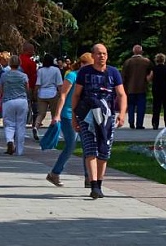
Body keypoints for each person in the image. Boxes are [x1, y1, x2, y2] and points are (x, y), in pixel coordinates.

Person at [74, 43, 127, 199]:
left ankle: (99, 183)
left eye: (104, 53)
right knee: (90, 149)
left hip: (106, 116)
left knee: (104, 150)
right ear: (93, 56)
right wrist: (74, 118)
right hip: (87, 116)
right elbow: (76, 95)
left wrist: (122, 114)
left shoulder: (113, 72)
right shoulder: (85, 72)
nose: (102, 56)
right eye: (98, 53)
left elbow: (121, 94)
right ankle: (94, 186)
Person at [45, 54, 82, 187]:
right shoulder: (72, 75)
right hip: (68, 115)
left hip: (82, 115)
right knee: (71, 145)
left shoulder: (88, 78)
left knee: (88, 146)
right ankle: (55, 173)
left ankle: (90, 178)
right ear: (82, 64)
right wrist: (57, 115)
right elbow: (63, 95)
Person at [0, 53, 30, 155]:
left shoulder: (4, 75)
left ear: (9, 63)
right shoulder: (24, 76)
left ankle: (10, 140)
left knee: (9, 123)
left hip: (8, 101)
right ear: (19, 63)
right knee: (21, 125)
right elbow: (27, 89)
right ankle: (20, 150)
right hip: (22, 101)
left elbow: (1, 90)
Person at [120, 45, 152, 130]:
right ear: (141, 52)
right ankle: (139, 124)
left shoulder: (128, 62)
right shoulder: (146, 62)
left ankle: (131, 122)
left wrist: (123, 87)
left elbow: (123, 76)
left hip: (130, 88)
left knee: (131, 106)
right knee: (141, 107)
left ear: (133, 52)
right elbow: (151, 73)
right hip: (142, 87)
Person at [33, 55, 64, 138]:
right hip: (52, 93)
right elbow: (59, 84)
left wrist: (35, 93)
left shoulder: (40, 70)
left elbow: (38, 83)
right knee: (54, 114)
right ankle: (53, 132)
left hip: (42, 93)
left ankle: (36, 126)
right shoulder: (56, 70)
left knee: (41, 114)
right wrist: (61, 94)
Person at [150, 53, 166, 129]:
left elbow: (149, 78)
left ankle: (155, 123)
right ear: (164, 60)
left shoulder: (154, 69)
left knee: (156, 107)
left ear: (156, 60)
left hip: (156, 89)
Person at [18, 43, 39, 128]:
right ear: (28, 50)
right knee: (29, 104)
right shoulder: (31, 63)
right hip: (28, 86)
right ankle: (30, 121)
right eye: (32, 50)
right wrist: (34, 90)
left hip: (15, 87)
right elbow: (33, 77)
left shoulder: (18, 60)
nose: (33, 52)